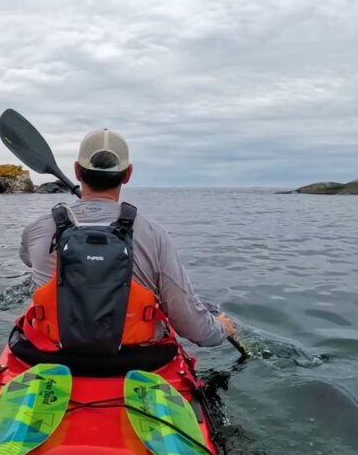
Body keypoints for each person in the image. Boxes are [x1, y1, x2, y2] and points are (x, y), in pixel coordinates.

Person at [19, 129, 235, 349]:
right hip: (135, 360)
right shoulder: (154, 234)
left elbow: (27, 259)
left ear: (77, 171)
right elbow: (193, 328)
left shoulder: (38, 229)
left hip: (51, 355)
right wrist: (219, 329)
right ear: (128, 174)